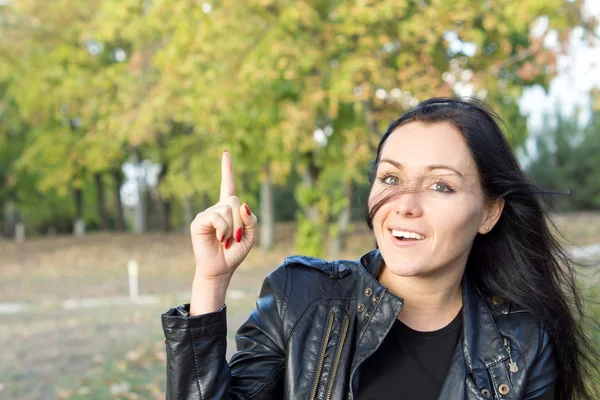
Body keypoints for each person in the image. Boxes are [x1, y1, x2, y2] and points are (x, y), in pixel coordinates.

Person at [161, 98, 598, 400]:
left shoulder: (520, 346)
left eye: (441, 185)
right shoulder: (301, 298)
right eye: (390, 178)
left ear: (489, 212)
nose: (405, 206)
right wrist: (211, 281)